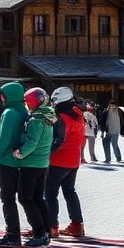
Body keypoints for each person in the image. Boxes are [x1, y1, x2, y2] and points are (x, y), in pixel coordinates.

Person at [10, 87, 56, 247]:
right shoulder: (47, 116)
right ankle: (46, 230)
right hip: (42, 163)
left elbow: (32, 141)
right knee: (37, 197)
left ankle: (39, 232)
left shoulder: (36, 120)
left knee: (25, 198)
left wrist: (20, 153)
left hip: (31, 163)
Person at [0, 81, 29, 245]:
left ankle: (12, 234)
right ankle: (38, 229)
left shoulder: (9, 113)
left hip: (6, 159)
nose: (1, 97)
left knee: (7, 197)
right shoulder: (23, 110)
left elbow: (5, 138)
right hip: (21, 158)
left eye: (2, 94)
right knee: (21, 196)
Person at [45, 86, 86, 237]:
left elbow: (58, 139)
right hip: (73, 161)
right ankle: (77, 225)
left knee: (50, 193)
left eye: (54, 101)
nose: (53, 104)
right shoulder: (77, 114)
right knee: (70, 192)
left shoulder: (61, 117)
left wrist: (46, 153)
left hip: (58, 161)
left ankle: (51, 226)